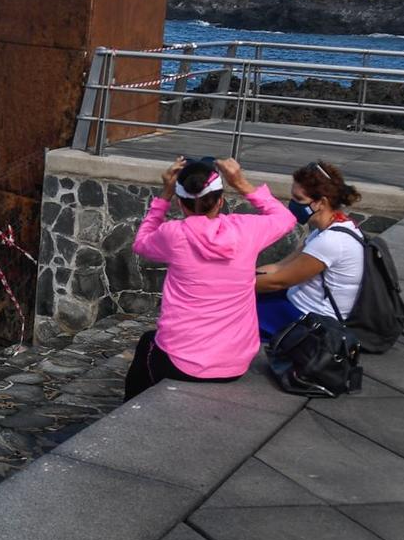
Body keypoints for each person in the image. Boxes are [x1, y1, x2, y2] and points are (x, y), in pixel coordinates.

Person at [126, 155, 295, 397]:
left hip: (182, 362)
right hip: (236, 363)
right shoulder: (248, 230)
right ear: (220, 201)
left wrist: (164, 195)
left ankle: (131, 418)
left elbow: (141, 243)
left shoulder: (173, 235)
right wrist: (241, 183)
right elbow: (286, 219)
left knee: (147, 345)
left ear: (180, 203)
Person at [254, 161, 366, 338]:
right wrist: (244, 275)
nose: (292, 204)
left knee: (232, 313)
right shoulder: (329, 229)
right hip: (298, 304)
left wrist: (229, 286)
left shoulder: (331, 241)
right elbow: (279, 267)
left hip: (313, 322)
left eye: (299, 199)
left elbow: (279, 281)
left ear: (321, 202)